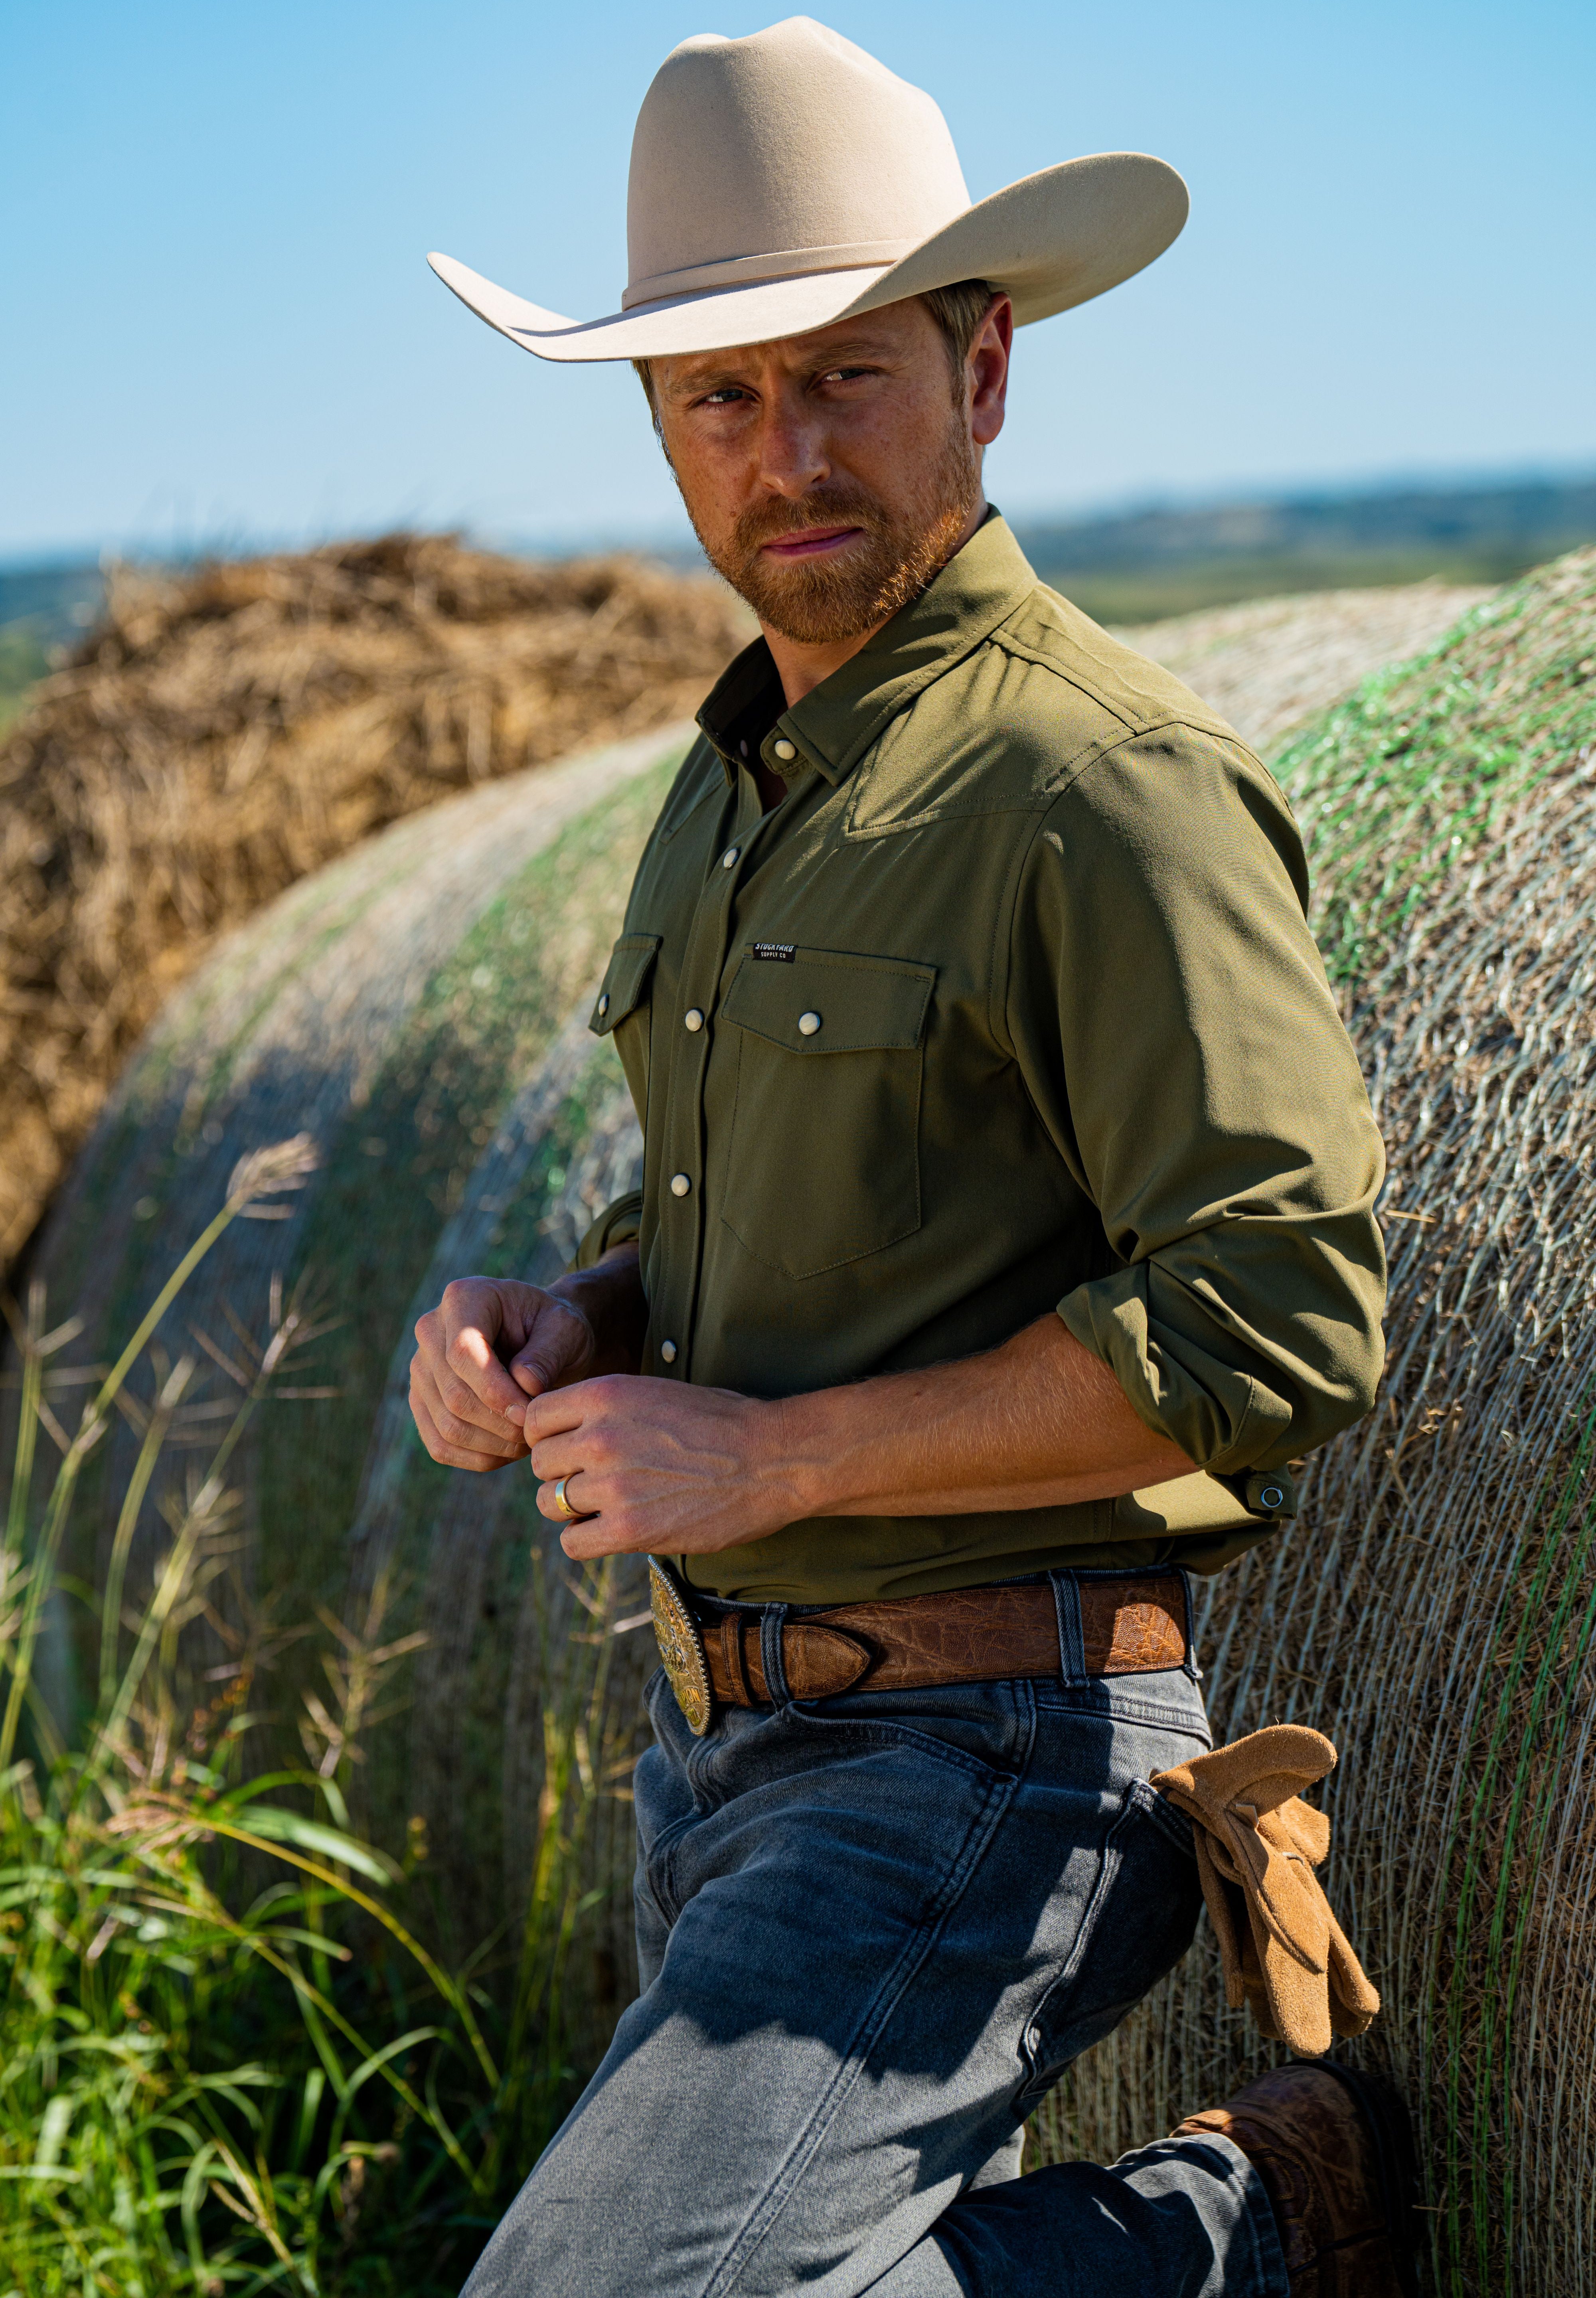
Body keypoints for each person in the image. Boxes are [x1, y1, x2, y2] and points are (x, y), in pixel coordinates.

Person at [410, 20, 1414, 2296]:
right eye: (718, 400)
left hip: (1004, 1742)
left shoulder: (1102, 781)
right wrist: (572, 1324)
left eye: (844, 372)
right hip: (724, 1750)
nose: (786, 454)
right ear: (659, 431)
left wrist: (766, 1464)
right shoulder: (737, 779)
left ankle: (1236, 2231)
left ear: (984, 368)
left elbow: (1283, 1318)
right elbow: (750, 1221)